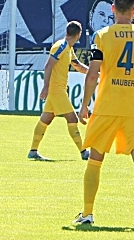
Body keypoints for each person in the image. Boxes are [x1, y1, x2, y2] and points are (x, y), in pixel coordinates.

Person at [75, 0, 134, 229]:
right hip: (133, 107)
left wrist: (84, 105)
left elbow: (93, 74)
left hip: (106, 106)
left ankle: (88, 213)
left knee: (95, 159)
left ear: (113, 9)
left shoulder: (102, 35)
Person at [29, 20, 89, 161]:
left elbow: (78, 66)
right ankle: (84, 152)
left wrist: (96, 74)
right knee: (72, 118)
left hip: (58, 90)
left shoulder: (68, 48)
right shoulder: (61, 46)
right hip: (57, 90)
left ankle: (33, 151)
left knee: (46, 119)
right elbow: (48, 65)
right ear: (79, 34)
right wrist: (46, 86)